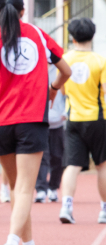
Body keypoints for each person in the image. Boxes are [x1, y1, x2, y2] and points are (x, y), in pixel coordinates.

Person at [0, 0, 72, 245]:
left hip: (2, 121)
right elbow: (65, 70)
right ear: (23, 10)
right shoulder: (37, 34)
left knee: (17, 189)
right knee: (26, 189)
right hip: (31, 119)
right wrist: (53, 90)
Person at [58, 18, 106, 225]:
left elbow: (61, 89)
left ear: (72, 37)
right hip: (97, 120)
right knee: (102, 165)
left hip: (73, 119)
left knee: (72, 165)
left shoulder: (65, 58)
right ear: (93, 36)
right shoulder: (100, 61)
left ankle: (66, 207)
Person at [35, 71, 66, 203]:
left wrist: (65, 111)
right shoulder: (36, 68)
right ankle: (41, 189)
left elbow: (67, 95)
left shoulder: (61, 70)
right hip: (40, 123)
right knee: (41, 157)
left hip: (57, 123)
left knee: (57, 157)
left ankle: (53, 188)